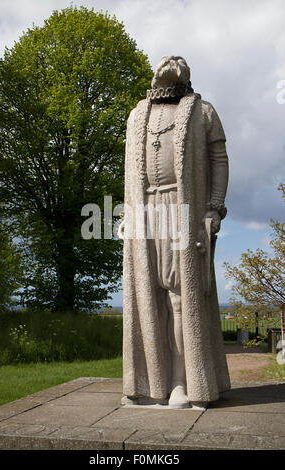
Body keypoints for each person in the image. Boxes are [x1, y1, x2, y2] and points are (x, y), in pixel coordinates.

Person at [119, 56, 230, 409]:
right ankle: (152, 382)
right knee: (147, 297)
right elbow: (130, 171)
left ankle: (183, 382)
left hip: (182, 208)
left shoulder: (204, 112)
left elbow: (219, 161)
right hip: (144, 210)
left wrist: (213, 208)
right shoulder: (137, 115)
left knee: (181, 297)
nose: (171, 61)